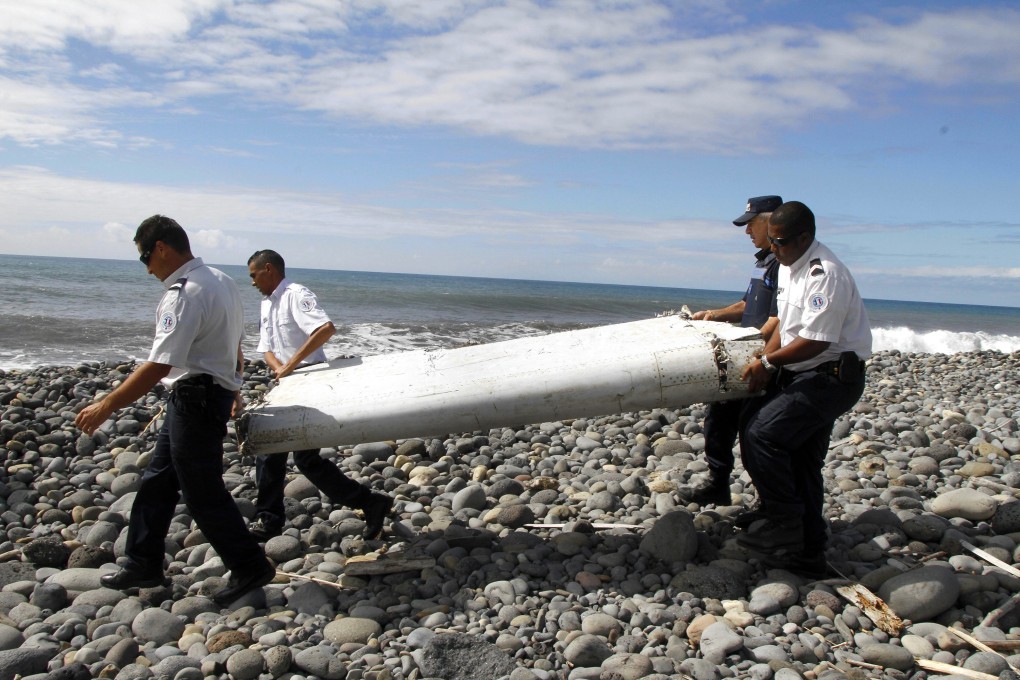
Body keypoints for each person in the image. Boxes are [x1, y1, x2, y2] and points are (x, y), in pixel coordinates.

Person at [75, 215, 275, 607]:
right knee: (158, 481)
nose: (147, 269)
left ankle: (249, 565)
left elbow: (159, 365)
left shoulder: (184, 293)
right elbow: (233, 343)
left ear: (162, 248)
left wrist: (107, 404)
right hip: (204, 394)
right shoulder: (221, 281)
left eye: (145, 258)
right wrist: (233, 386)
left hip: (196, 399)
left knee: (202, 490)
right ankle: (143, 562)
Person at [737, 201, 871, 575]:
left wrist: (768, 363)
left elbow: (816, 341)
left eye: (779, 242)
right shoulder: (788, 265)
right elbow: (787, 323)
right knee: (797, 457)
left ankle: (785, 522)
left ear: (805, 237)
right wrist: (767, 356)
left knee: (764, 434)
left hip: (831, 377)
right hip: (803, 373)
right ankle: (808, 550)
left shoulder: (825, 275)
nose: (773, 248)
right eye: (772, 241)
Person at [246, 249, 393, 541]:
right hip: (286, 383)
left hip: (310, 380)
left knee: (300, 457)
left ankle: (368, 502)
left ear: (269, 269)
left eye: (254, 275)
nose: (252, 282)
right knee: (276, 453)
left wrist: (290, 365)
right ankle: (271, 519)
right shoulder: (266, 305)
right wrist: (279, 369)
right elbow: (266, 348)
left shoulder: (295, 295)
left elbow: (325, 329)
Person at [682, 195, 783, 505]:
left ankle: (771, 501)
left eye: (751, 224)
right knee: (718, 421)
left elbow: (780, 318)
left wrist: (760, 355)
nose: (747, 231)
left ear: (770, 221)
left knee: (756, 432)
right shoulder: (762, 262)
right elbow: (746, 304)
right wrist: (714, 315)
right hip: (744, 355)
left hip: (763, 359)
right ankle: (718, 483)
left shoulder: (783, 264)